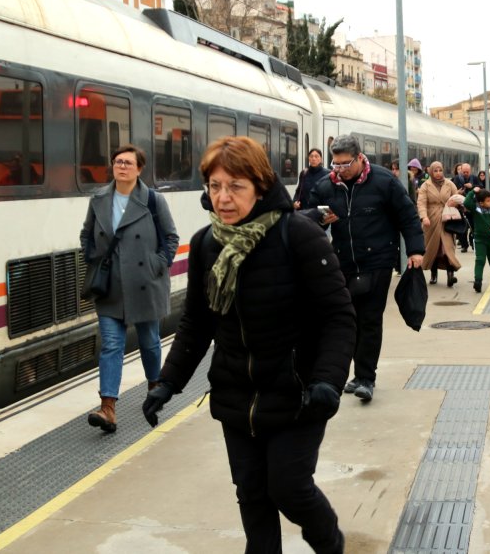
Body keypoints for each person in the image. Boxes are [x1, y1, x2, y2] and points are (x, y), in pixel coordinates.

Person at [142, 136, 355, 554]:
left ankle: (329, 542)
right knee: (252, 494)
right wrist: (167, 382)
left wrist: (328, 380)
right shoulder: (207, 244)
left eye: (235, 186)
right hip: (236, 393)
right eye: (215, 186)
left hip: (299, 393)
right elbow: (197, 322)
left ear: (259, 186)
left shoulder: (298, 236)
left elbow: (338, 316)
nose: (222, 197)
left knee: (288, 487)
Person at [309, 135, 424, 403]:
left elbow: (407, 216)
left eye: (344, 164)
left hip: (378, 261)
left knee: (370, 319)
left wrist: (416, 250)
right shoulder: (327, 186)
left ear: (360, 158)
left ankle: (365, 377)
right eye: (335, 164)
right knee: (348, 320)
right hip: (343, 262)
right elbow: (311, 220)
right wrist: (314, 220)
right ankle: (352, 374)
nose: (339, 170)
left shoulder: (384, 182)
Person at [79, 145, 179, 433]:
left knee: (149, 341)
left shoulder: (152, 200)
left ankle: (154, 387)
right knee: (111, 345)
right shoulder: (99, 199)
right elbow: (87, 234)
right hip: (110, 285)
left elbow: (170, 238)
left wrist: (156, 265)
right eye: (117, 161)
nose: (121, 166)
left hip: (145, 283)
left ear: (139, 169)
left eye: (127, 162)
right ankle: (108, 407)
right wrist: (93, 259)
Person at [417, 161, 462, 287]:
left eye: (440, 170)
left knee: (447, 249)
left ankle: (450, 275)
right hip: (431, 221)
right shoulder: (425, 185)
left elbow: (457, 198)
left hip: (447, 220)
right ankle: (433, 274)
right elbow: (421, 203)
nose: (438, 173)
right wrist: (424, 217)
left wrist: (456, 203)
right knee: (433, 249)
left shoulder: (449, 184)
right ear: (431, 172)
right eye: (435, 171)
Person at [469, 192, 490, 292]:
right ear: (481, 203)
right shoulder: (476, 209)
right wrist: (473, 192)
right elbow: (466, 203)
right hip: (480, 240)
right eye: (488, 201)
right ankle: (478, 281)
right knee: (480, 260)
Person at [451, 163, 475, 252]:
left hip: (471, 207)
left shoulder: (474, 178)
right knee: (462, 227)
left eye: (467, 172)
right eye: (463, 171)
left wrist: (472, 187)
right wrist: (457, 192)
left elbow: (480, 187)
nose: (465, 173)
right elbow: (452, 191)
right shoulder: (456, 179)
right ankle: (464, 245)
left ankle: (473, 243)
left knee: (473, 226)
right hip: (460, 206)